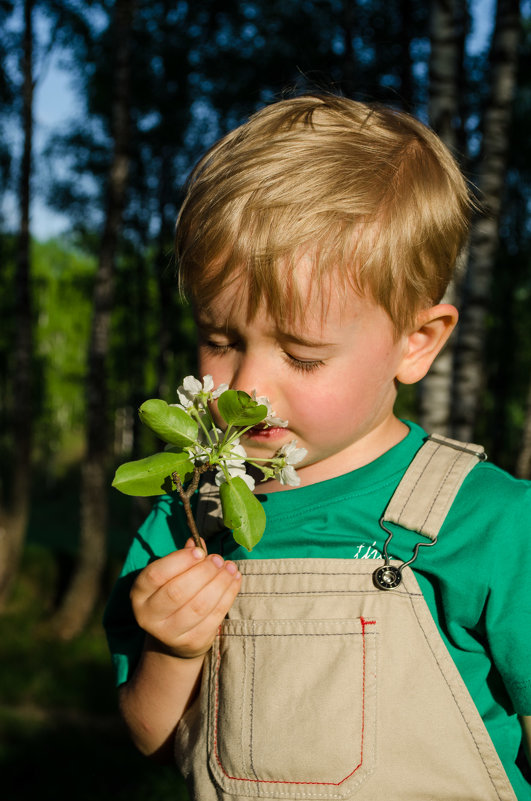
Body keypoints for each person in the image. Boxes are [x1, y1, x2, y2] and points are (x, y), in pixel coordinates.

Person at [104, 94, 531, 800]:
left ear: (415, 342)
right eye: (221, 339)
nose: (245, 388)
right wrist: (173, 648)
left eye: (301, 355)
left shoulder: (492, 522)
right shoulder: (188, 519)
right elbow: (150, 735)